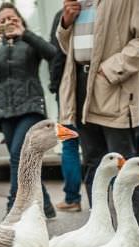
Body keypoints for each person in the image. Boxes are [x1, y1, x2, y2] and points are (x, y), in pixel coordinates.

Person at [56, 0, 139, 226]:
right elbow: (69, 48)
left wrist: (109, 70)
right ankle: (100, 230)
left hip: (113, 85)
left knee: (124, 166)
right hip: (80, 86)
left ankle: (129, 232)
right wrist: (65, 23)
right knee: (93, 163)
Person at [0, 2, 57, 218]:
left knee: (18, 155)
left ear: (20, 19)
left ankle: (12, 209)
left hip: (30, 108)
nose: (8, 23)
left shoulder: (29, 42)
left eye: (12, 18)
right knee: (23, 161)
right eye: (3, 20)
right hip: (5, 112)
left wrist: (24, 33)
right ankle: (45, 205)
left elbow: (52, 53)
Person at [49, 9, 82, 213]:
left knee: (70, 145)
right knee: (94, 148)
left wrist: (55, 85)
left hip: (68, 89)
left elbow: (56, 55)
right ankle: (103, 200)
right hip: (95, 88)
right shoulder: (99, 11)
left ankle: (72, 198)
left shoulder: (63, 15)